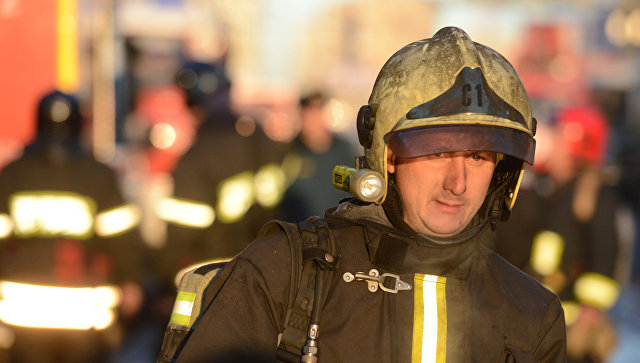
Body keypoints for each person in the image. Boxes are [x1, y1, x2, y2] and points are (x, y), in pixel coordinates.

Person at [170, 27, 567, 362]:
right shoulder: (280, 277)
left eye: (479, 157)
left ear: (504, 173)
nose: (457, 182)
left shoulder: (531, 314)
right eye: (438, 151)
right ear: (388, 156)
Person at [0, 90, 146, 363]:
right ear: (79, 125)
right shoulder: (98, 174)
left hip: (25, 316)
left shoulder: (12, 175)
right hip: (86, 317)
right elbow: (123, 239)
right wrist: (132, 281)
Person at [493, 105, 621, 362]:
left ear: (576, 144)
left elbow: (605, 251)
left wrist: (591, 309)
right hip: (539, 309)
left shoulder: (592, 193)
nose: (553, 143)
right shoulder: (549, 187)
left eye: (561, 137)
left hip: (571, 319)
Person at [280, 91, 358, 221]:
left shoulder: (344, 150)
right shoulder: (289, 153)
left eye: (319, 113)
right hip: (301, 232)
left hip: (339, 230)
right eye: (310, 115)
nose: (315, 121)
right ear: (302, 116)